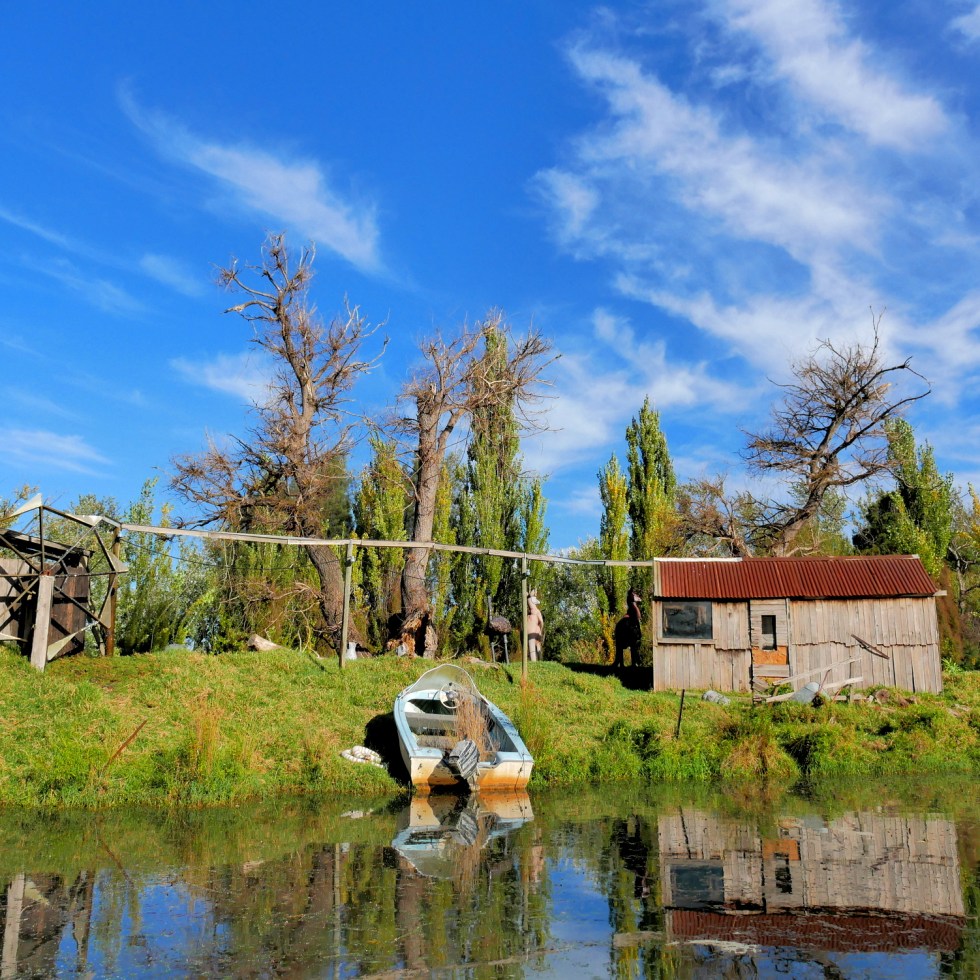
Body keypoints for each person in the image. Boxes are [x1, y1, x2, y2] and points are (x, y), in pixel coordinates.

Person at [526, 593, 544, 662]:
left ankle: (539, 660)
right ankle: (533, 661)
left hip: (535, 631)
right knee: (531, 646)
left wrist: (541, 630)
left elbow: (541, 622)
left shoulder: (537, 611)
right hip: (530, 631)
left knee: (536, 646)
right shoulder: (528, 614)